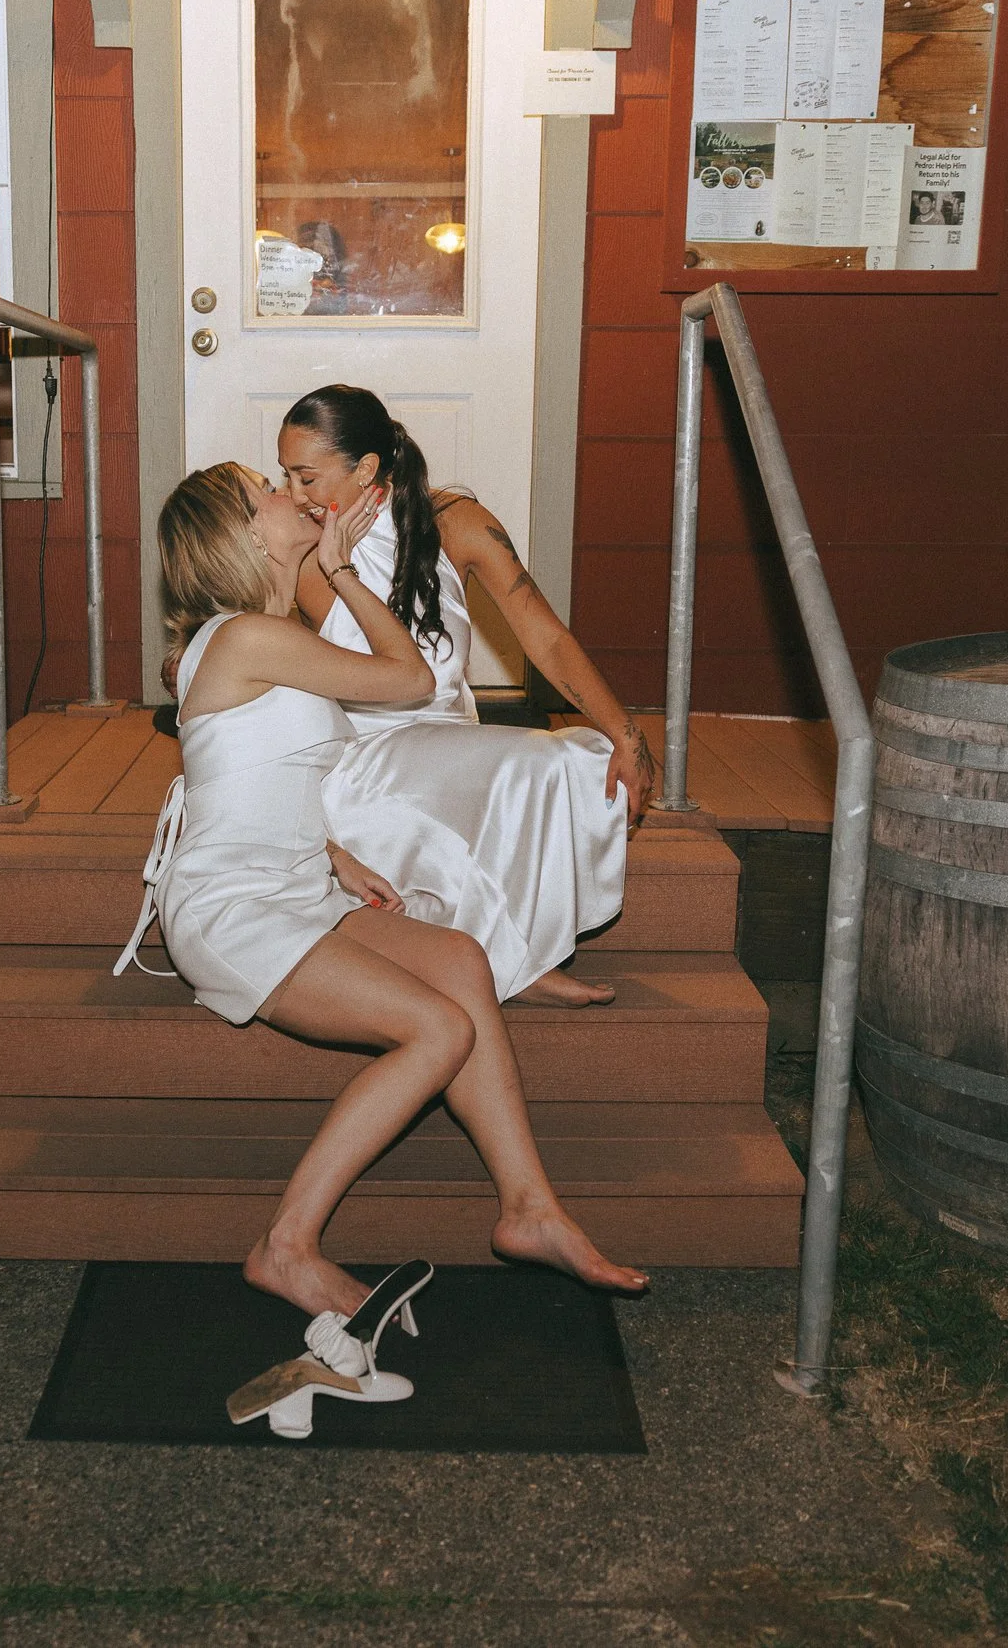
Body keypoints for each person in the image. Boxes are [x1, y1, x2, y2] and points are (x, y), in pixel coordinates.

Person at [126, 461, 648, 1322]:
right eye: (268, 490)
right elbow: (414, 683)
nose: (293, 493)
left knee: (460, 959)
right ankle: (286, 1245)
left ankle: (531, 1211)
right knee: (436, 1030)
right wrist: (336, 568)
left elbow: (243, 774)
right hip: (235, 908)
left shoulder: (255, 634)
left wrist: (332, 854)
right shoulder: (250, 637)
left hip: (294, 884)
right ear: (245, 532)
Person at [281, 385, 657, 1008]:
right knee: (533, 763)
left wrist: (627, 733)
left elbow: (544, 635)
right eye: (287, 477)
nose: (296, 495)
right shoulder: (300, 547)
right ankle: (516, 966)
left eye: (307, 477)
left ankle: (510, 954)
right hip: (359, 763)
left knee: (583, 758)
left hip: (447, 741)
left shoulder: (457, 523)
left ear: (367, 468)